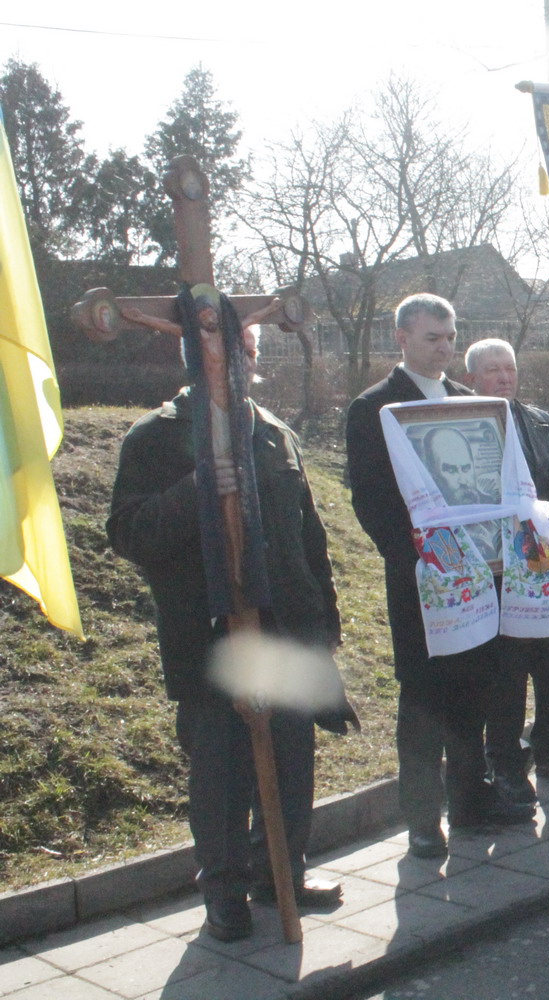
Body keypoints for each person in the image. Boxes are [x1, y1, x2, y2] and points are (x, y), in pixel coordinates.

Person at [108, 321, 351, 942]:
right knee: (221, 770)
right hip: (210, 634)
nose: (238, 360)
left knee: (291, 760)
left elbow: (308, 534)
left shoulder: (273, 432)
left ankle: (281, 876)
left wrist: (323, 618)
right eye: (224, 349)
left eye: (247, 350)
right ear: (192, 354)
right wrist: (195, 490)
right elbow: (129, 533)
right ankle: (223, 890)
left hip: (284, 628)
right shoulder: (156, 435)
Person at [346, 294, 534, 860]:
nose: (446, 347)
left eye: (451, 337)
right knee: (425, 700)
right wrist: (417, 560)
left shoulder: (468, 402)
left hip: (481, 573)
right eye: (433, 338)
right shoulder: (374, 407)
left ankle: (471, 802)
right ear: (402, 338)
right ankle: (424, 819)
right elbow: (371, 499)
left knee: (473, 690)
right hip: (421, 581)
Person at [465, 339, 549, 794]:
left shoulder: (539, 421)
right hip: (501, 575)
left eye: (510, 368)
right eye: (493, 370)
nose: (504, 377)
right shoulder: (467, 428)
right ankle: (506, 764)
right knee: (508, 676)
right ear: (471, 379)